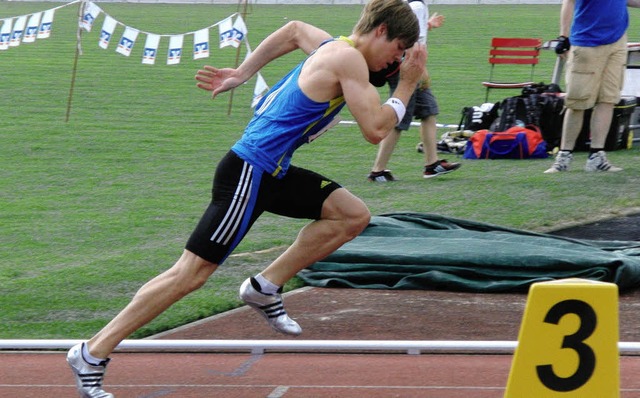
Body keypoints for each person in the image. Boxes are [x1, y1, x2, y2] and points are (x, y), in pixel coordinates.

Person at [66, 0, 427, 396]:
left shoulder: (331, 45)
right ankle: (92, 353)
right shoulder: (348, 59)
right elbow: (375, 130)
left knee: (351, 215)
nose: (395, 61)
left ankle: (264, 287)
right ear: (381, 32)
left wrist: (242, 72)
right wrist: (407, 83)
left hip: (273, 172)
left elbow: (292, 29)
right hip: (248, 172)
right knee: (189, 275)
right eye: (397, 50)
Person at [367, 2, 460, 181]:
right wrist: (421, 71)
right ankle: (378, 171)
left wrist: (429, 25)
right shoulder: (416, 5)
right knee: (398, 117)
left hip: (411, 66)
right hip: (407, 68)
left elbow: (411, 31)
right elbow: (410, 42)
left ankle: (432, 165)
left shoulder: (416, 5)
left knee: (429, 110)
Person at [544, 0, 640, 174]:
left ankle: (597, 155)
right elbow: (569, 2)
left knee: (608, 99)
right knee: (577, 102)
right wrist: (563, 36)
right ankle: (564, 156)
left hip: (617, 43)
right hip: (587, 43)